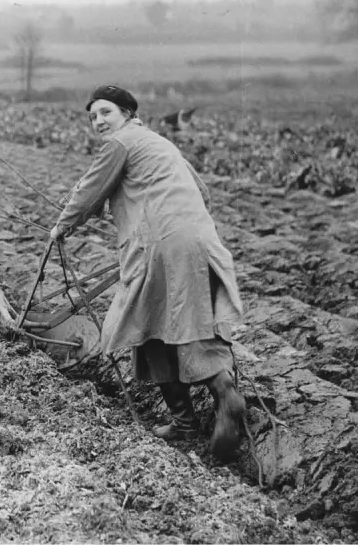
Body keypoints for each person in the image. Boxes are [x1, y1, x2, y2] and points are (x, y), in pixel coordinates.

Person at [50, 84, 246, 459]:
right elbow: (202, 192)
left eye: (105, 112)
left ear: (127, 113)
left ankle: (199, 411)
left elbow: (90, 192)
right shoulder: (159, 142)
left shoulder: (119, 143)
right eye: (92, 116)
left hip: (160, 245)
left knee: (149, 326)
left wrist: (62, 226)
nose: (98, 121)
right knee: (195, 321)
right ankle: (213, 400)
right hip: (199, 238)